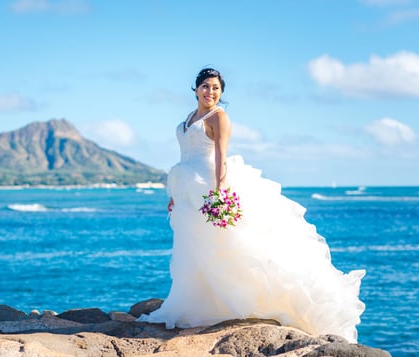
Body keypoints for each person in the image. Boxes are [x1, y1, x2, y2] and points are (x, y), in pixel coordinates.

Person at [137, 68, 366, 343]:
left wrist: (219, 193)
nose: (211, 92)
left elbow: (222, 156)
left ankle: (240, 301)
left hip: (208, 188)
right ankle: (196, 302)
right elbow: (185, 155)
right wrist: (175, 193)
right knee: (192, 247)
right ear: (195, 89)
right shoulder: (188, 119)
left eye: (216, 89)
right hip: (186, 190)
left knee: (225, 246)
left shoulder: (219, 117)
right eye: (206, 87)